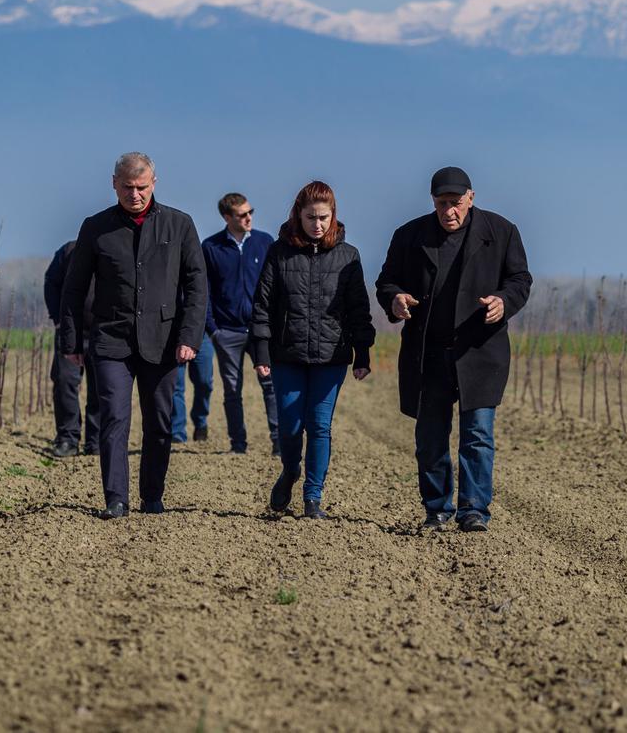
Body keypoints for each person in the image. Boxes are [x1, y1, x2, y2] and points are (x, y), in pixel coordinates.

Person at [375, 166, 532, 532]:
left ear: (471, 198)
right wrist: (394, 299)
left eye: (456, 203)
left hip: (480, 350)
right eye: (442, 204)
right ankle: (437, 509)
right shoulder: (409, 236)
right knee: (430, 436)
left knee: (477, 434)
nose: (449, 211)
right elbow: (387, 280)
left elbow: (520, 279)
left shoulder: (502, 232)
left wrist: (503, 301)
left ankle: (474, 510)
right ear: (432, 201)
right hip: (428, 351)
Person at [58, 152, 207, 518]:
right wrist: (72, 342)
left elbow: (197, 285)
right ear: (114, 184)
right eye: (127, 187)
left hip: (164, 340)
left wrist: (189, 337)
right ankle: (116, 498)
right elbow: (74, 288)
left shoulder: (180, 225)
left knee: (159, 421)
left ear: (154, 183)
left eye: (141, 187)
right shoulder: (95, 227)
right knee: (113, 418)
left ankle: (152, 495)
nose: (135, 194)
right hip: (112, 339)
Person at [251, 181, 374, 519]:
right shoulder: (279, 253)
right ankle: (291, 471)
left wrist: (362, 353)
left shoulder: (348, 256)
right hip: (286, 354)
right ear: (298, 216)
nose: (317, 225)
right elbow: (263, 305)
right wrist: (261, 352)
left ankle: (312, 497)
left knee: (319, 426)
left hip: (330, 356)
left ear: (333, 216)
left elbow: (358, 309)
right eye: (311, 218)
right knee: (290, 426)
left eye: (324, 218)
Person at [203, 192, 280, 455]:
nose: (249, 218)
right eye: (242, 214)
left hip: (261, 331)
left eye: (250, 212)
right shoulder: (211, 248)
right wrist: (214, 331)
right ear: (227, 217)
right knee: (232, 390)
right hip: (228, 332)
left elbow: (275, 287)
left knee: (270, 385)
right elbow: (205, 292)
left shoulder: (265, 242)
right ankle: (238, 444)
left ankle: (279, 443)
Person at [44, 240, 101, 457]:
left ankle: (96, 442)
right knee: (65, 382)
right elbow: (51, 281)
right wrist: (58, 319)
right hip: (70, 331)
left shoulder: (113, 249)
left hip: (102, 332)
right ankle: (67, 438)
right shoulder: (68, 251)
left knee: (101, 388)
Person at [171, 335, 214, 443]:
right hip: (174, 338)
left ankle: (201, 421)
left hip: (202, 337)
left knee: (205, 383)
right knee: (175, 387)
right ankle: (177, 431)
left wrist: (214, 330)